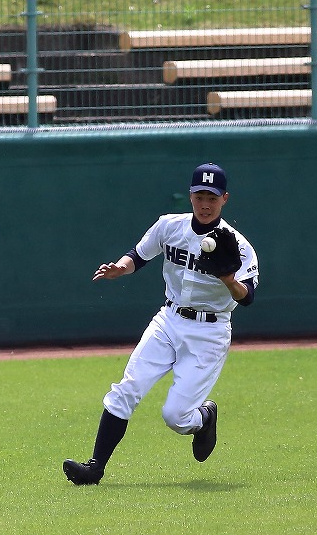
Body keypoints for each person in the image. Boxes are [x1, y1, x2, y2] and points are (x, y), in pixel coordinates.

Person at [63, 162, 260, 486]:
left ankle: (204, 417)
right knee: (127, 388)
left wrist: (227, 278)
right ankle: (94, 468)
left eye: (212, 197)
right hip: (168, 321)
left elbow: (247, 296)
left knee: (176, 417)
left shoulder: (238, 246)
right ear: (191, 196)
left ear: (224, 198)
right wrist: (120, 268)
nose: (205, 204)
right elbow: (138, 255)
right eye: (199, 196)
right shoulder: (169, 227)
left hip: (209, 332)